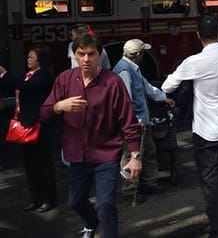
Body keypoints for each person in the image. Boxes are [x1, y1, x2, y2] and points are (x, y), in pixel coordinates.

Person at [40, 34, 142, 238]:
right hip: (77, 154)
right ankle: (91, 222)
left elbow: (128, 120)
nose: (86, 59)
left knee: (105, 204)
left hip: (106, 154)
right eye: (81, 54)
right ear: (75, 55)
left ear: (99, 55)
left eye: (91, 54)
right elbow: (44, 113)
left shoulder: (112, 82)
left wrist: (135, 156)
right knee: (75, 201)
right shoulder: (65, 79)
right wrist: (59, 106)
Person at [161, 16, 218, 238]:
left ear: (198, 36)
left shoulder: (194, 62)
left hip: (206, 130)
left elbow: (167, 86)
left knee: (212, 180)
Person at [112, 39, 174, 197]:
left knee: (149, 153)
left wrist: (163, 97)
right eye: (143, 53)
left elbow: (147, 88)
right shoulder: (124, 71)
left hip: (142, 121)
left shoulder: (133, 68)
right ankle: (130, 189)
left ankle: (149, 183)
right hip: (135, 123)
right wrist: (133, 122)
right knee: (131, 156)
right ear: (138, 54)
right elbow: (126, 100)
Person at [0, 45, 56, 213]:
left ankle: (48, 199)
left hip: (38, 125)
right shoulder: (27, 76)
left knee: (43, 164)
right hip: (24, 125)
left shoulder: (44, 77)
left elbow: (25, 87)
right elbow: (17, 86)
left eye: (32, 57)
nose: (28, 59)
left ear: (40, 60)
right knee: (29, 164)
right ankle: (35, 198)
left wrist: (4, 74)